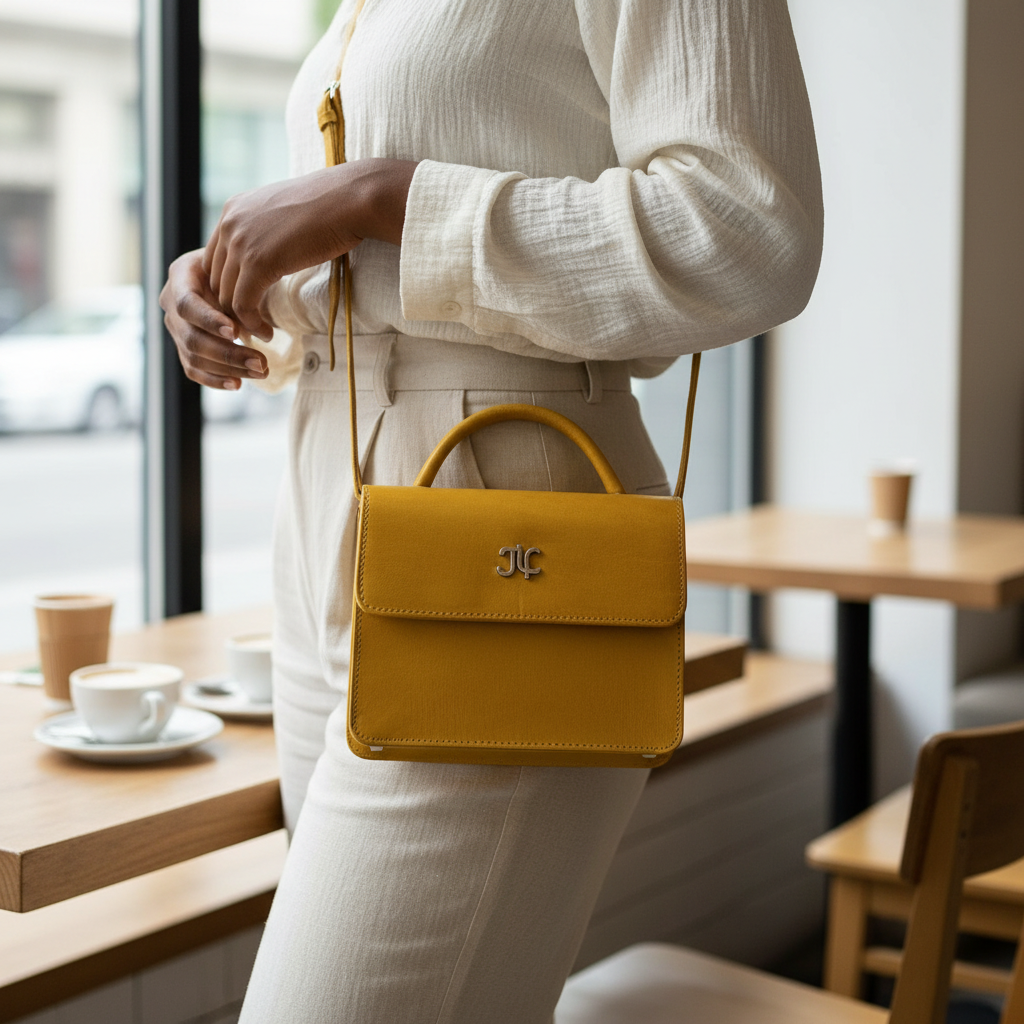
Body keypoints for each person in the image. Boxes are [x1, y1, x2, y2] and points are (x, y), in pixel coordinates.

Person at [161, 1, 823, 1020]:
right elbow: (379, 256)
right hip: (330, 498)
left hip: (514, 494)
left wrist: (386, 198)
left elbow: (748, 228)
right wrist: (247, 288)